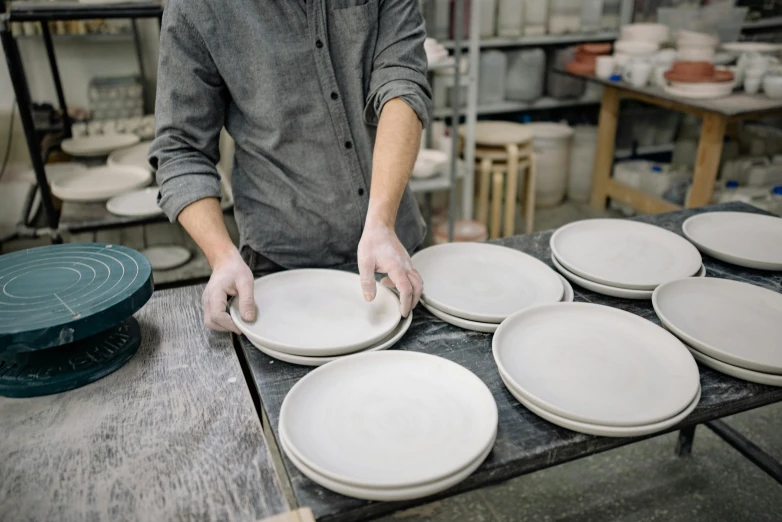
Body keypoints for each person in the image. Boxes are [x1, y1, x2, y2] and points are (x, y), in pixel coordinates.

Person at [150, 0, 432, 333]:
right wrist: (220, 255)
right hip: (280, 274)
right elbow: (181, 148)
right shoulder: (197, 8)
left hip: (394, 253)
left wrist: (381, 222)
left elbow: (403, 84)